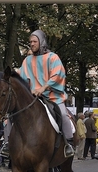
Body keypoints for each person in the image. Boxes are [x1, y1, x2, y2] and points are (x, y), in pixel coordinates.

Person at [18, 29, 74, 157]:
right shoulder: (27, 60)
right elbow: (22, 77)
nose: (31, 44)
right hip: (32, 98)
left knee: (64, 116)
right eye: (30, 42)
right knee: (14, 115)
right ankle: (8, 144)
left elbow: (57, 75)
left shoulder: (53, 57)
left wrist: (43, 88)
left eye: (34, 41)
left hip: (52, 97)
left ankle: (68, 143)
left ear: (41, 42)